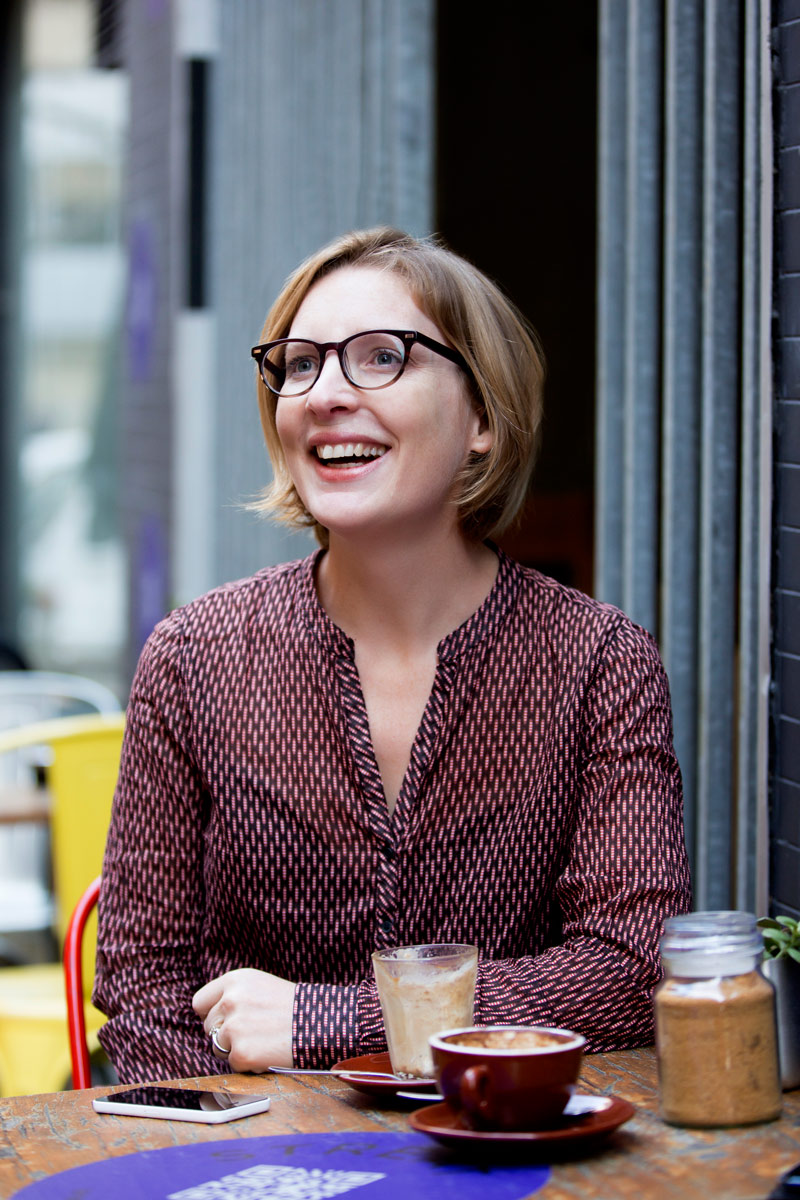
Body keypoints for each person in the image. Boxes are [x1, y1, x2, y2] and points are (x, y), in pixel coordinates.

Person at [94, 227, 691, 1084]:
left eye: (382, 357)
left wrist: (327, 1020)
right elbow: (146, 989)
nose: (325, 393)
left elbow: (628, 975)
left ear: (483, 415)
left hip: (505, 1144)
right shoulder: (194, 657)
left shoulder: (598, 661)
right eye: (299, 364)